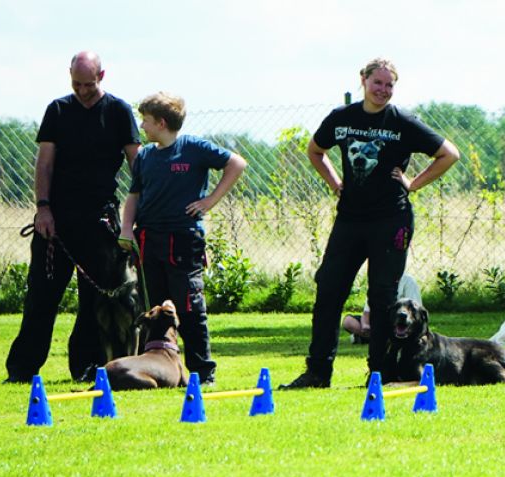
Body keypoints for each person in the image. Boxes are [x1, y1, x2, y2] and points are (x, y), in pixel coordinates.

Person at [280, 58, 460, 389]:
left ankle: (379, 373)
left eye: (389, 85)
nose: (383, 90)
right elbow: (315, 150)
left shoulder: (402, 121)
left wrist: (413, 183)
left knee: (382, 299)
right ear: (362, 80)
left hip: (391, 221)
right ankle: (317, 371)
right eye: (377, 83)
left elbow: (449, 154)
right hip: (350, 220)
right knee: (329, 291)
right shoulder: (341, 119)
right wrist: (335, 183)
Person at [4, 52, 141, 383]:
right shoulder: (58, 110)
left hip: (99, 221)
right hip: (56, 222)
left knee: (95, 302)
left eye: (88, 84)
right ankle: (22, 369)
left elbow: (137, 162)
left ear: (102, 76)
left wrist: (138, 215)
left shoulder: (119, 111)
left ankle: (88, 367)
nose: (82, 90)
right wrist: (43, 207)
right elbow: (45, 163)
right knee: (41, 296)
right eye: (76, 84)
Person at [117, 92, 247, 385]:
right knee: (154, 311)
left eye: (146, 121)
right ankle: (154, 367)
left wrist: (209, 201)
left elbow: (237, 164)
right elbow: (134, 195)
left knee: (189, 306)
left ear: (161, 123)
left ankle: (203, 373)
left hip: (183, 239)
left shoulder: (193, 148)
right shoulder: (145, 156)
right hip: (149, 238)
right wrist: (127, 229)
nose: (142, 126)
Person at [343, 272, 422, 344]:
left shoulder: (408, 281)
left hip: (400, 321)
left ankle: (371, 338)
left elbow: (416, 311)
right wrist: (365, 326)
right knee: (348, 321)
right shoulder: (377, 282)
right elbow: (366, 313)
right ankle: (381, 339)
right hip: (378, 322)